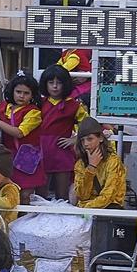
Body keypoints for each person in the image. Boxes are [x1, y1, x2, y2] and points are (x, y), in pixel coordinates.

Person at [0, 73, 46, 195]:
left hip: (26, 156)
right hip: (7, 157)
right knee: (8, 192)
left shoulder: (34, 113)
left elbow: (19, 133)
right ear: (12, 91)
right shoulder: (4, 107)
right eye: (18, 92)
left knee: (25, 193)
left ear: (32, 95)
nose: (21, 96)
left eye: (26, 93)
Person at [36, 65, 86, 201]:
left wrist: (76, 139)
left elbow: (88, 125)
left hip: (62, 152)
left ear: (66, 84)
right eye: (51, 83)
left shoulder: (75, 106)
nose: (55, 86)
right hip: (40, 151)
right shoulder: (37, 103)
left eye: (59, 83)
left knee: (62, 196)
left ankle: (63, 222)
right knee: (40, 196)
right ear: (45, 84)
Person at [71, 117, 127, 209]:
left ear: (100, 138)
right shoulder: (80, 164)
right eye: (82, 140)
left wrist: (85, 207)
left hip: (108, 210)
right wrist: (91, 167)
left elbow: (108, 196)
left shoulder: (113, 161)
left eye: (90, 139)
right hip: (87, 210)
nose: (85, 144)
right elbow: (82, 195)